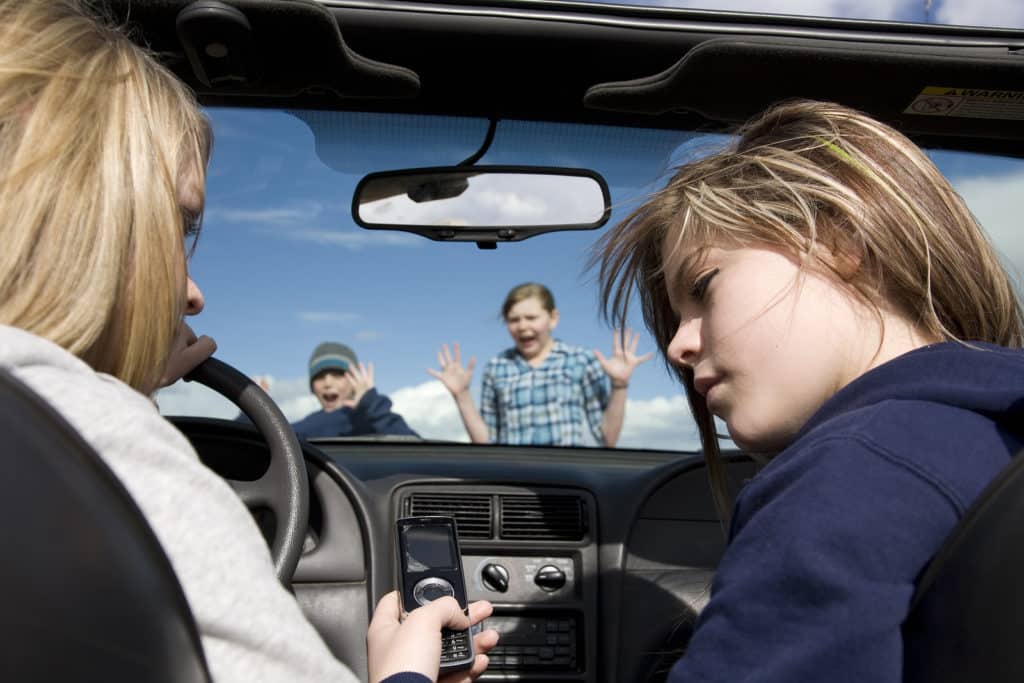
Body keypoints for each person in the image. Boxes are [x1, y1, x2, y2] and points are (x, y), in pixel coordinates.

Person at [0, 2, 495, 682]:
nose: (193, 291)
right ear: (87, 218)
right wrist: (403, 673)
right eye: (176, 226)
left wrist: (125, 371)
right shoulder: (114, 451)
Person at [594, 98, 1024, 682]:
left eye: (703, 287)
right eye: (675, 321)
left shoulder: (851, 471)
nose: (678, 347)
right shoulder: (991, 428)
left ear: (840, 238)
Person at [430, 282, 652, 446]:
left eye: (531, 317)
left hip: (566, 478)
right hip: (512, 480)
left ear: (552, 318)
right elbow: (487, 442)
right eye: (514, 320)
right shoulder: (497, 367)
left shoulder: (580, 360)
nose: (522, 326)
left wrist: (619, 385)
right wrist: (462, 395)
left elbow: (607, 438)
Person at [247, 341, 417, 439]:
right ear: (312, 387)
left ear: (354, 379)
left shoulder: (374, 420)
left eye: (337, 374)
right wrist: (252, 404)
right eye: (320, 377)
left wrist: (370, 402)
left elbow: (412, 446)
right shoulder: (310, 425)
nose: (327, 382)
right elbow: (267, 438)